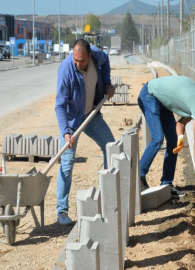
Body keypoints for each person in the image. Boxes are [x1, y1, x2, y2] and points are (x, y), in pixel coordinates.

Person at [55, 39, 115, 225]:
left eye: (82, 61)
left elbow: (105, 63)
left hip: (91, 114)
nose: (78, 64)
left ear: (89, 56)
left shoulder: (97, 56)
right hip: (73, 121)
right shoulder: (66, 70)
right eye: (76, 60)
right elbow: (60, 106)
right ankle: (62, 211)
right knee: (67, 161)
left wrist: (107, 83)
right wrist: (66, 132)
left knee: (111, 147)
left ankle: (109, 197)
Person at [138, 75, 195, 198]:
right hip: (150, 95)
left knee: (172, 140)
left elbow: (180, 123)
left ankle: (167, 184)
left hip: (161, 102)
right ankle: (139, 176)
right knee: (157, 138)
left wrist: (179, 138)